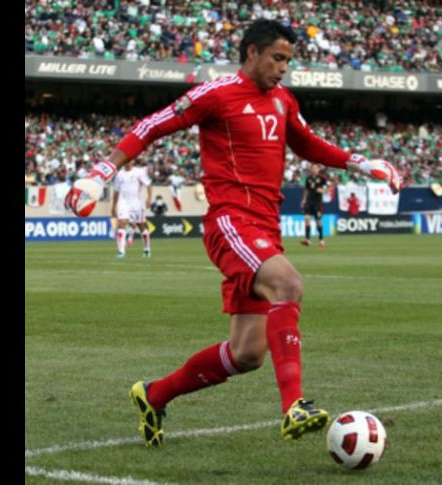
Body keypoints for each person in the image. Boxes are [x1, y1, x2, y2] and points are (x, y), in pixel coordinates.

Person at [65, 19, 401, 448]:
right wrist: (102, 171)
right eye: (277, 58)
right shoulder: (217, 94)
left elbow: (308, 144)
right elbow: (153, 124)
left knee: (246, 355)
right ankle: (294, 405)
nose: (283, 68)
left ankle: (154, 395)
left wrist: (363, 163)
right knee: (289, 284)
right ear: (251, 53)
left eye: (288, 61)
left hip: (265, 226)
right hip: (231, 221)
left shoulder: (283, 100)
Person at [111, 161, 152, 258]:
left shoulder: (139, 172)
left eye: (130, 160)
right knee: (122, 223)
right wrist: (113, 206)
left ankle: (147, 248)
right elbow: (116, 191)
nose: (127, 162)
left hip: (137, 203)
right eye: (126, 160)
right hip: (123, 203)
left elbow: (148, 184)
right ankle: (121, 251)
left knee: (141, 225)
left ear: (133, 161)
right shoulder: (119, 175)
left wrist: (149, 199)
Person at [300, 163, 329, 248]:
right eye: (312, 168)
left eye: (315, 168)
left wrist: (323, 190)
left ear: (318, 169)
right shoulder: (308, 178)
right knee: (307, 219)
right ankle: (307, 239)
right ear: (311, 169)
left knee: (318, 222)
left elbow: (330, 187)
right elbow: (306, 189)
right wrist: (304, 199)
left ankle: (321, 240)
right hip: (309, 202)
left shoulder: (322, 178)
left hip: (318, 203)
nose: (314, 169)